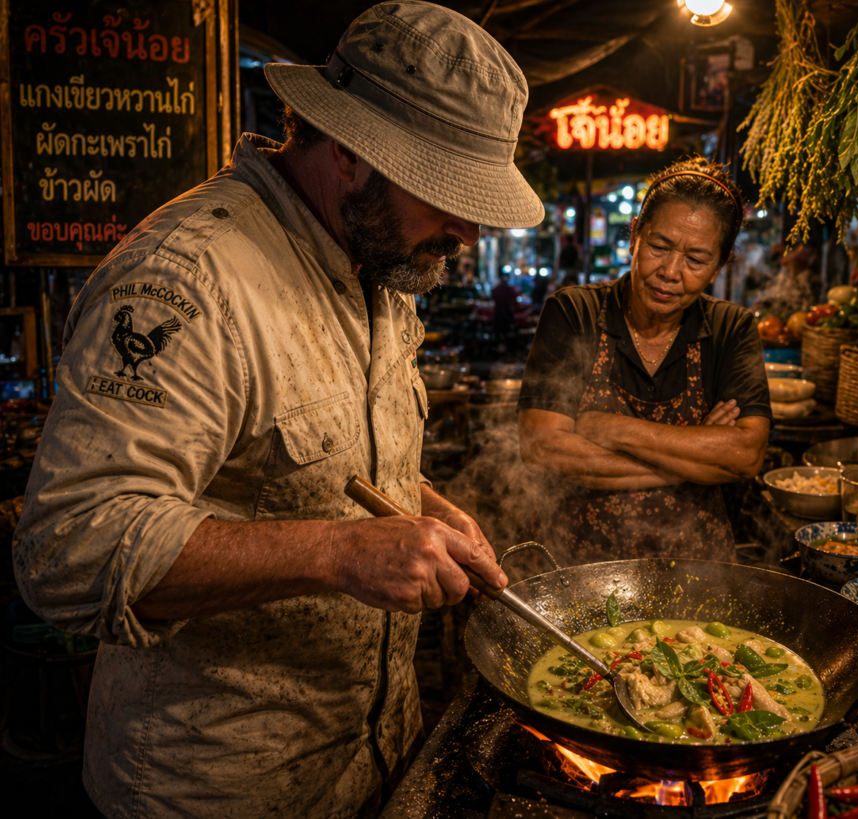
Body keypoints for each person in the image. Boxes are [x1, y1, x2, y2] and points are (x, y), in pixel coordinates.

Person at [12, 3, 543, 818]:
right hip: (217, 787)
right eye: (444, 193)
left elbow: (325, 466)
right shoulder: (191, 277)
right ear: (349, 149)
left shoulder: (376, 260)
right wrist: (339, 553)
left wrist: (429, 511)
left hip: (366, 762)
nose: (466, 229)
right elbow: (70, 548)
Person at [517, 157, 771, 566]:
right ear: (635, 235)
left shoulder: (731, 329)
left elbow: (744, 455)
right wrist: (692, 462)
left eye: (696, 259)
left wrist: (609, 428)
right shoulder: (574, 312)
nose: (670, 272)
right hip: (574, 564)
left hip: (696, 569)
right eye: (659, 247)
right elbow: (543, 446)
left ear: (719, 267)